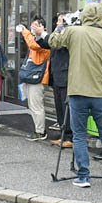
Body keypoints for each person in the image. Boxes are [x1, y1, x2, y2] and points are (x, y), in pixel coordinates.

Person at [46, 3, 102, 188]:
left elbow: (53, 42)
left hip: (77, 92)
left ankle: (83, 176)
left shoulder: (74, 32)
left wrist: (61, 25)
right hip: (101, 93)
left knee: (79, 135)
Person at [39, 14, 72, 149]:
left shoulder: (67, 32)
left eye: (61, 20)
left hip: (65, 75)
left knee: (66, 107)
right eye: (58, 20)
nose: (58, 22)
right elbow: (47, 44)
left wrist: (45, 33)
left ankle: (70, 136)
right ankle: (63, 134)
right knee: (59, 106)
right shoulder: (57, 33)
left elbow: (57, 43)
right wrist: (38, 35)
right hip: (57, 75)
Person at [15, 16, 50, 142]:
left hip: (38, 78)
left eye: (36, 25)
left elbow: (34, 45)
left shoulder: (45, 40)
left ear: (43, 28)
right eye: (32, 25)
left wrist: (25, 32)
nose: (33, 28)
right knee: (33, 105)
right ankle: (38, 129)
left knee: (36, 106)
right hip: (32, 76)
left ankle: (40, 132)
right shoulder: (35, 38)